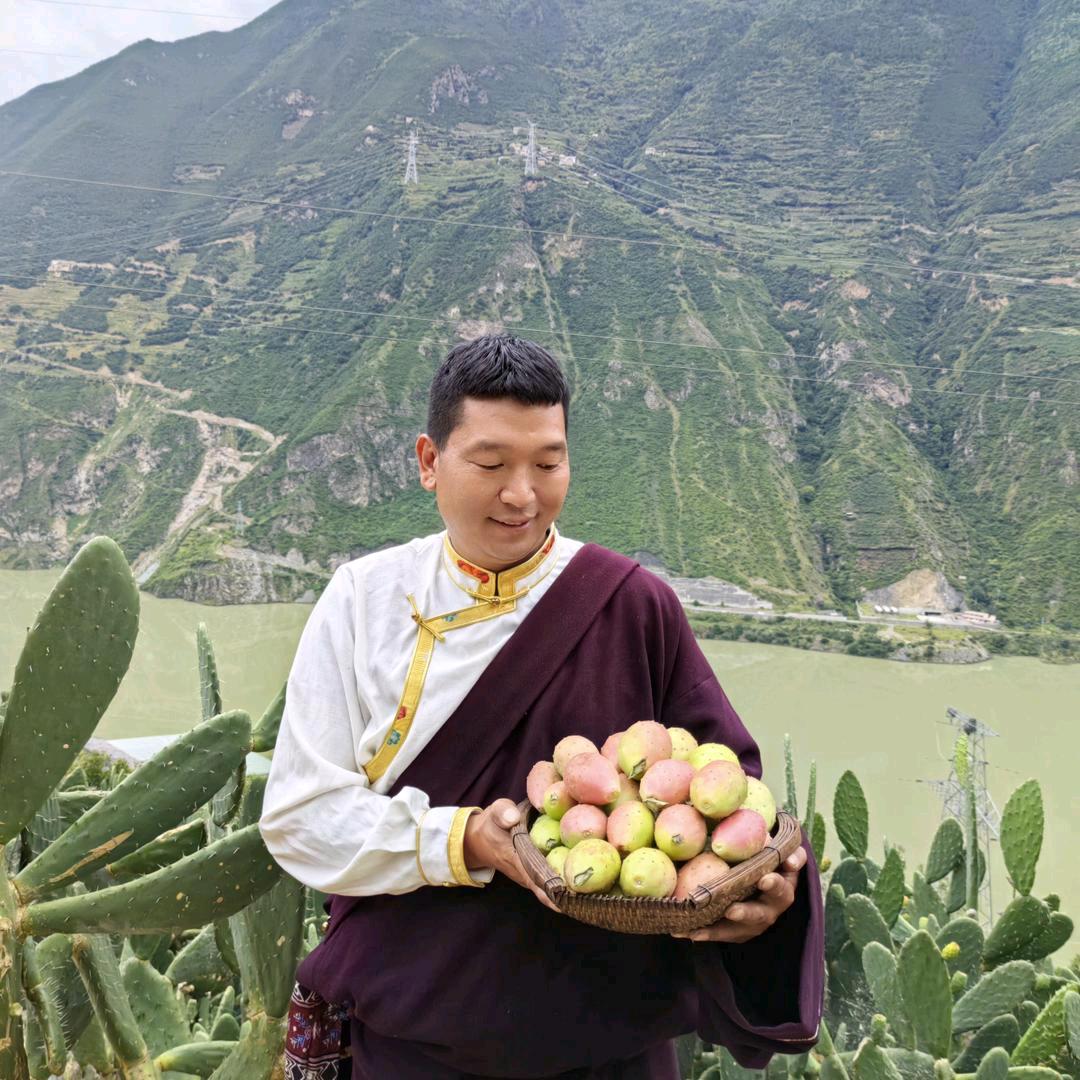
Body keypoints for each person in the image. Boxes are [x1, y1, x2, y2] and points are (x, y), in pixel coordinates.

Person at [260, 334, 824, 1080]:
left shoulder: (631, 606)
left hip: (610, 1054)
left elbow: (733, 802)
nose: (521, 494)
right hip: (412, 1048)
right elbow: (301, 819)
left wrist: (769, 886)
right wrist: (462, 840)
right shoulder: (362, 601)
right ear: (429, 461)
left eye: (547, 464)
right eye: (491, 464)